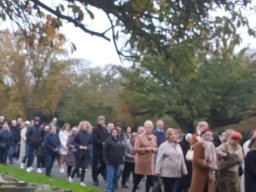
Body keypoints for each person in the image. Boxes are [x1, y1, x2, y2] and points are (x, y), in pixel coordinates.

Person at [132, 120, 157, 192]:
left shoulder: (154, 137)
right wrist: (145, 149)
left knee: (150, 179)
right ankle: (133, 189)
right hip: (142, 161)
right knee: (138, 179)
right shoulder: (139, 137)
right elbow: (135, 149)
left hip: (150, 161)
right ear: (144, 127)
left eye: (150, 127)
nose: (148, 129)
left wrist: (154, 149)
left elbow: (156, 147)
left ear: (152, 128)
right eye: (147, 127)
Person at [69, 121, 92, 186]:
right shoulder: (78, 134)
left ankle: (81, 181)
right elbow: (74, 142)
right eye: (83, 125)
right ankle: (71, 176)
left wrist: (87, 147)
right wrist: (79, 146)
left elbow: (91, 144)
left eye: (86, 125)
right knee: (76, 167)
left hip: (86, 153)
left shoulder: (89, 134)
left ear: (87, 126)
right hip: (78, 153)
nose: (84, 127)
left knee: (84, 167)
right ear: (81, 126)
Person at [103, 128, 125, 192]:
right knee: (110, 176)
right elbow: (104, 151)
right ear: (111, 133)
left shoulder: (119, 140)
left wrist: (121, 159)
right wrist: (105, 160)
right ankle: (109, 189)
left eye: (116, 132)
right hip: (110, 162)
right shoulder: (108, 140)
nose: (114, 133)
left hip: (118, 162)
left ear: (118, 133)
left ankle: (113, 188)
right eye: (113, 132)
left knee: (116, 176)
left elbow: (121, 150)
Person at [92, 115, 108, 186]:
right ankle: (95, 179)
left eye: (103, 120)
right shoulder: (95, 129)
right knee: (94, 164)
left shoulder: (105, 129)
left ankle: (95, 174)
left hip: (103, 150)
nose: (102, 121)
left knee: (104, 163)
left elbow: (107, 137)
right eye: (101, 120)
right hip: (96, 149)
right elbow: (94, 139)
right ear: (98, 121)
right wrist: (102, 143)